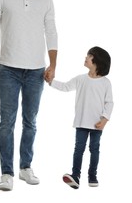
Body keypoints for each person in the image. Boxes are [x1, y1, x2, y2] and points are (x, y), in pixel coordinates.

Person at [0, 0, 58, 191]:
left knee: (31, 121)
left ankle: (25, 167)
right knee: (6, 122)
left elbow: (52, 32)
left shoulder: (46, 0)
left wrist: (53, 65)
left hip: (36, 71)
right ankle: (6, 173)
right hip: (8, 69)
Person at [48, 46, 113, 189]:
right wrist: (50, 82)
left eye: (89, 56)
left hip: (97, 124)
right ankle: (75, 176)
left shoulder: (105, 83)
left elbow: (109, 103)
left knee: (94, 149)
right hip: (81, 122)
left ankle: (92, 176)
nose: (86, 58)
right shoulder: (81, 79)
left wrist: (104, 120)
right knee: (79, 149)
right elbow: (65, 87)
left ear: (97, 61)